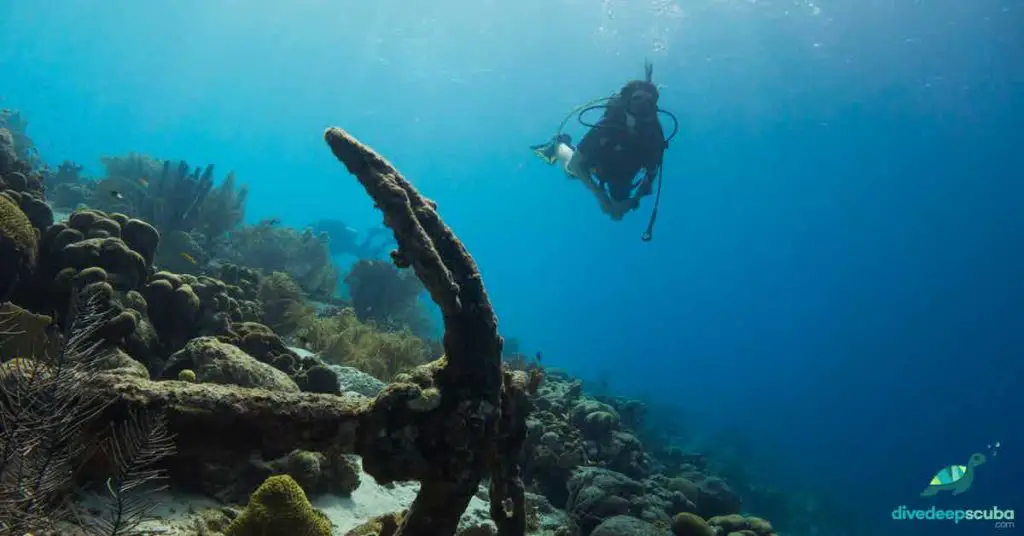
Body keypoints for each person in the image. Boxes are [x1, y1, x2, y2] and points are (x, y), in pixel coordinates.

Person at [531, 61, 670, 221]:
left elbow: (650, 177)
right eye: (637, 104)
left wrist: (633, 201)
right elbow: (577, 164)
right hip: (597, 162)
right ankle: (559, 145)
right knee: (572, 169)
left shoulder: (653, 136)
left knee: (617, 214)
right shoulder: (608, 126)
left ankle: (615, 199)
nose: (641, 112)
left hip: (623, 174)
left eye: (647, 107)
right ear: (626, 106)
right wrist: (601, 197)